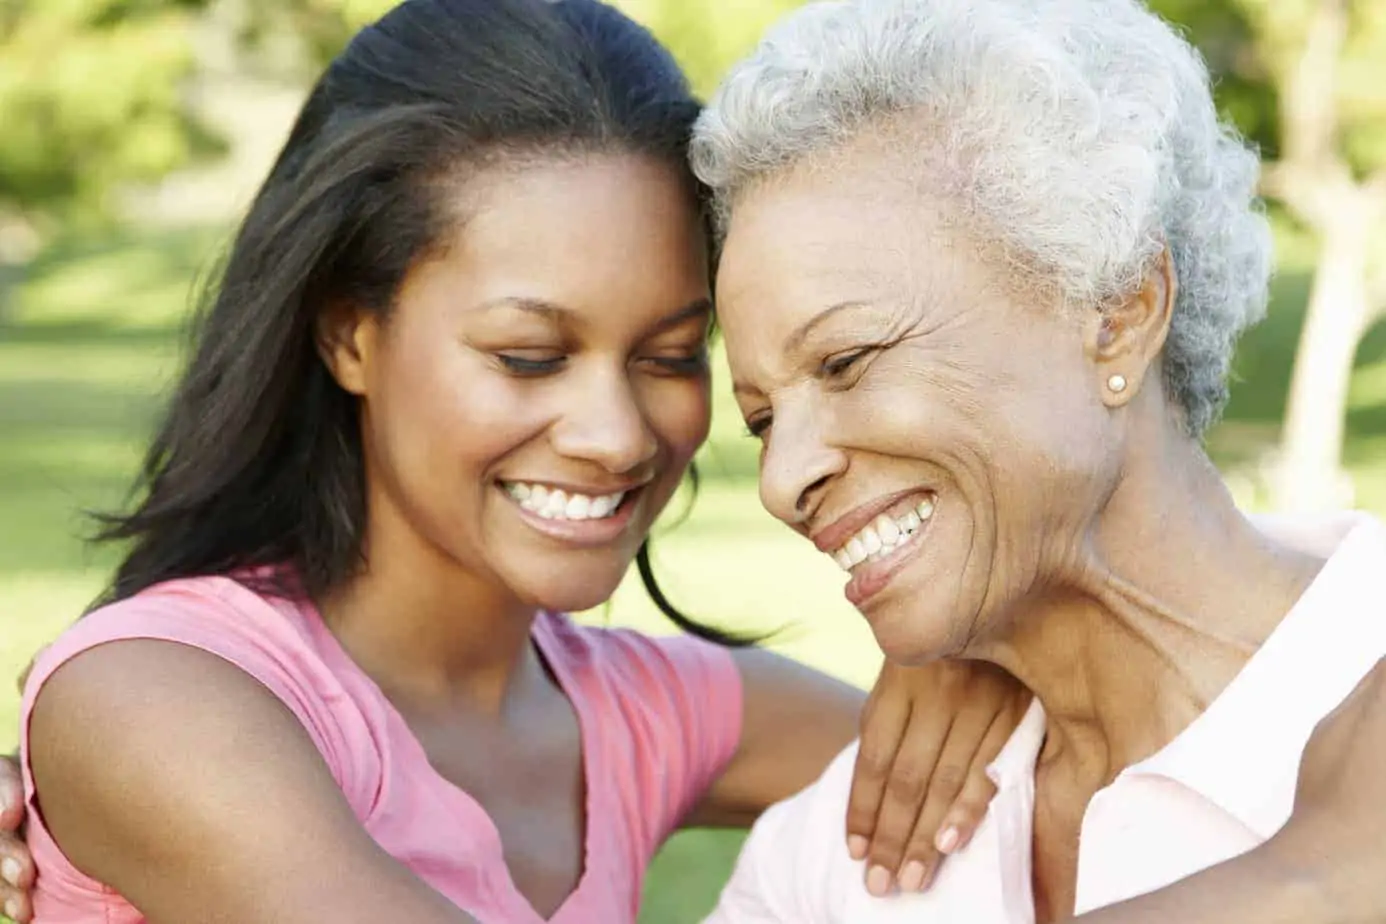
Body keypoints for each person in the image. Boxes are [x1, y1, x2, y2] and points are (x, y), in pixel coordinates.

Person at [0, 1, 1033, 921]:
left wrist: (971, 658)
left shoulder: (638, 713)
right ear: (348, 336)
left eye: (671, 356)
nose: (619, 434)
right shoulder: (153, 696)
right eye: (529, 356)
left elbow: (1059, 768)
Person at [689, 0, 1386, 921]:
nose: (783, 481)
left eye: (846, 362)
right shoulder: (838, 852)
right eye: (761, 419)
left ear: (1118, 311)